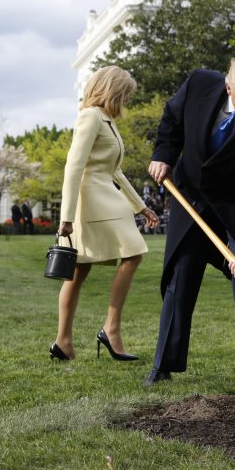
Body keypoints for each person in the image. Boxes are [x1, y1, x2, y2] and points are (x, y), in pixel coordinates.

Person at [145, 55, 235, 391]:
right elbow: (172, 118)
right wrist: (164, 154)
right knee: (180, 277)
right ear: (230, 87)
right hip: (191, 197)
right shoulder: (199, 84)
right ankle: (163, 364)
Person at [51, 66, 159, 362]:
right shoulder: (90, 117)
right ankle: (109, 330)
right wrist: (67, 218)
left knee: (79, 270)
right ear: (110, 89)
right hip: (92, 201)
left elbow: (115, 171)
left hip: (105, 198)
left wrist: (140, 205)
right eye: (124, 92)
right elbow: (73, 167)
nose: (126, 98)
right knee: (131, 253)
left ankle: (64, 343)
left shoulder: (107, 120)